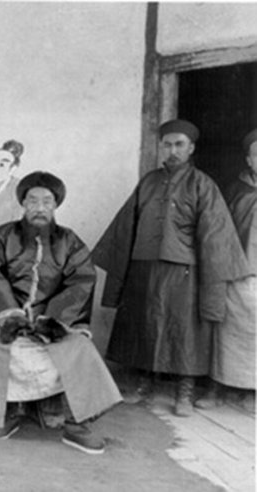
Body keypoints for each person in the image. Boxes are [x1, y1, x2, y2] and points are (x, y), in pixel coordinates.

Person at [92, 119, 250, 416]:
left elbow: (214, 236)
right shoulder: (148, 182)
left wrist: (210, 277)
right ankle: (143, 383)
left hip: (185, 272)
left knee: (185, 330)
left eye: (179, 144)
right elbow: (126, 226)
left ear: (191, 148)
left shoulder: (202, 184)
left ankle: (184, 392)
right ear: (161, 147)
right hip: (144, 267)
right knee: (144, 323)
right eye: (167, 145)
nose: (173, 151)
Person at [0, 171, 122, 455]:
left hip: (53, 317)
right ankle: (1, 414)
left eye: (46, 202)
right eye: (33, 201)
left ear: (55, 205)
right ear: (23, 203)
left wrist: (52, 318)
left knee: (79, 347)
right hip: (5, 314)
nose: (39, 208)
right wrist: (12, 315)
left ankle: (77, 423)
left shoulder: (70, 242)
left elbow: (81, 281)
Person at [195, 128, 257, 410]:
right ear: (249, 159)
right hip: (235, 272)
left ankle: (251, 391)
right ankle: (216, 388)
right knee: (225, 334)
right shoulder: (234, 192)